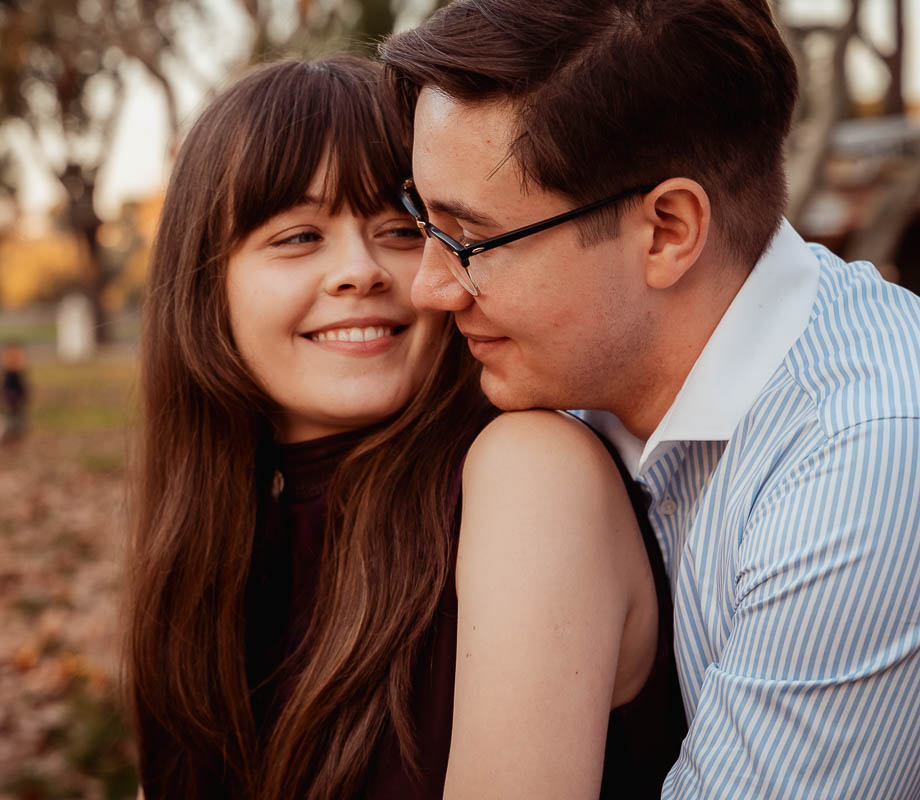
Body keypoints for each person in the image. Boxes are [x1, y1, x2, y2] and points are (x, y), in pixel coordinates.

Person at [380, 1, 920, 797]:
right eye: (420, 215)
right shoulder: (571, 364)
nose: (427, 287)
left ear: (667, 231)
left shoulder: (868, 453)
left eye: (467, 240)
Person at [126, 55, 685, 799]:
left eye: (401, 228)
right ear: (206, 286)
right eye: (297, 237)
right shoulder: (217, 543)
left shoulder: (528, 475)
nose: (361, 271)